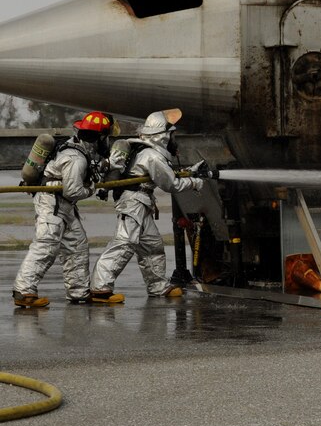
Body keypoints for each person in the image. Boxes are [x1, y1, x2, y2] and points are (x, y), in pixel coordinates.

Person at [90, 108, 204, 303]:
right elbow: (171, 184)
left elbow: (168, 175)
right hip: (134, 202)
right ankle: (100, 287)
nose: (173, 140)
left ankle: (158, 286)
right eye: (171, 135)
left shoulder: (145, 151)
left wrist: (189, 172)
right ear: (162, 136)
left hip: (140, 202)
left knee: (152, 245)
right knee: (124, 242)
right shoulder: (152, 156)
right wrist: (195, 183)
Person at [13, 112, 113, 307]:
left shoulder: (78, 150)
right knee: (46, 244)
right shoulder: (76, 158)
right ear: (98, 137)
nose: (106, 142)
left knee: (77, 245)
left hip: (62, 204)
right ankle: (24, 290)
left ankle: (78, 291)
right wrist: (91, 188)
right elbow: (73, 190)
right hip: (52, 202)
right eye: (105, 137)